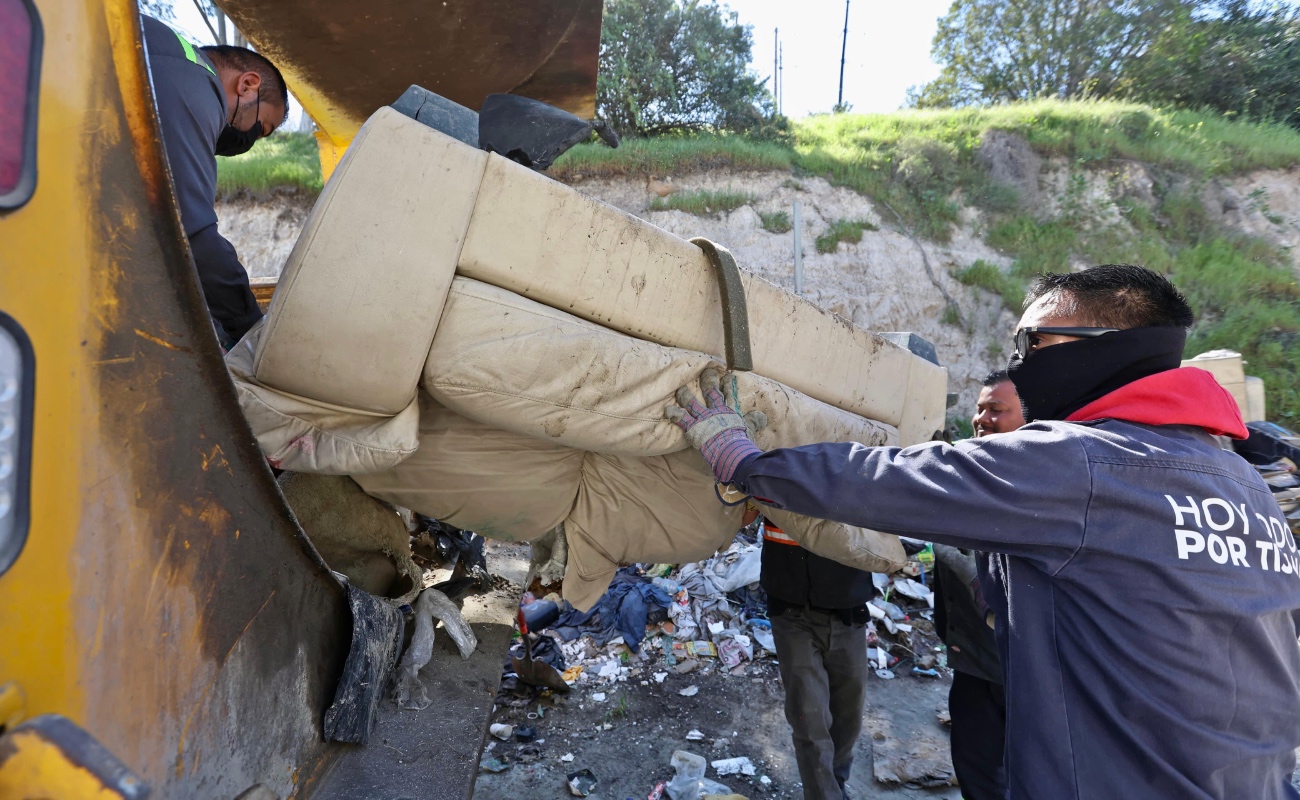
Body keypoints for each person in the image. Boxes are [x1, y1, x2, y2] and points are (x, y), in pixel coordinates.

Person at [667, 264, 1300, 799]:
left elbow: (887, 479)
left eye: (1034, 345)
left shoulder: (1079, 463)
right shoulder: (1238, 483)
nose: (1020, 367)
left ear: (1105, 343)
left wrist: (747, 464)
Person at [142, 15, 288, 348]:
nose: (249, 138)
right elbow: (192, 233)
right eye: (260, 127)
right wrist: (250, 332)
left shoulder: (167, 56)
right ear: (247, 85)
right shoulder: (195, 88)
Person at [931, 369, 1023, 800]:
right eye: (980, 408)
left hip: (1025, 671)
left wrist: (968, 571)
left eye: (996, 410)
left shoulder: (1041, 483)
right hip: (972, 663)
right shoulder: (968, 471)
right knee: (977, 775)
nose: (982, 418)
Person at [752, 504, 872, 800]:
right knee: (809, 718)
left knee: (849, 714)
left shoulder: (854, 465)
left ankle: (836, 786)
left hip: (847, 609)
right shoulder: (773, 463)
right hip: (791, 611)